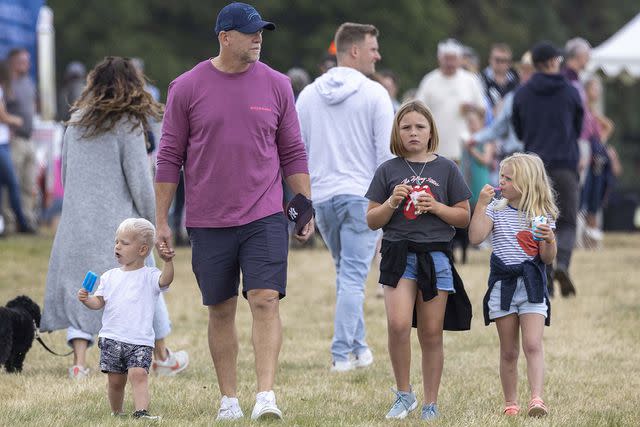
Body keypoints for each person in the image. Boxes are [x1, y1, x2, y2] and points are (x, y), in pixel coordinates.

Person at [155, 2, 313, 421]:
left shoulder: (278, 85)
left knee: (265, 299)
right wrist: (161, 221)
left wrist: (303, 206)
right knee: (221, 307)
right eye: (250, 32)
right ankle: (229, 399)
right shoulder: (185, 87)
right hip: (208, 218)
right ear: (225, 37)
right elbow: (169, 156)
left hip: (265, 214)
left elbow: (292, 151)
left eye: (261, 31)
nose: (259, 37)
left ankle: (266, 396)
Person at [40, 56, 188, 380]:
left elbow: (65, 174)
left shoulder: (76, 120)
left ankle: (79, 362)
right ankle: (161, 355)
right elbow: (139, 181)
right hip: (120, 229)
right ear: (131, 86)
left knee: (84, 288)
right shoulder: (127, 124)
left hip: (77, 226)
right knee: (144, 286)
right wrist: (155, 221)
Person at [296, 22, 394, 372]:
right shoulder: (375, 94)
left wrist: (301, 208)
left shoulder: (307, 95)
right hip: (361, 197)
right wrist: (389, 205)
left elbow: (297, 155)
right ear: (354, 51)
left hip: (323, 199)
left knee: (346, 275)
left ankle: (360, 347)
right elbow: (386, 156)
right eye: (372, 48)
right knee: (353, 277)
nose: (377, 55)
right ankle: (341, 355)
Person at [365, 100, 472, 420]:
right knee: (398, 325)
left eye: (419, 127)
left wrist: (437, 207)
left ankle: (430, 402)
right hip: (397, 254)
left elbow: (464, 217)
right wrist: (391, 202)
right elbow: (371, 220)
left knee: (430, 331)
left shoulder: (447, 168)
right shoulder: (388, 170)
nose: (413, 133)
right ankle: (404, 394)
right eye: (406, 127)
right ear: (397, 132)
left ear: (430, 132)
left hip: (435, 255)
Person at [468, 153, 558, 418]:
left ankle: (537, 399)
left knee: (533, 344)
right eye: (501, 176)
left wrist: (550, 239)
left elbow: (546, 258)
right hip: (503, 286)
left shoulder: (541, 215)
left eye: (508, 178)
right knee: (508, 350)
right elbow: (475, 237)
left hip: (532, 287)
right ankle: (510, 403)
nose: (501, 182)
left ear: (527, 183)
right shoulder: (496, 209)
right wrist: (481, 205)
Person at [78, 218, 174, 420]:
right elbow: (99, 302)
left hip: (139, 340)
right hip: (112, 338)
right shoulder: (109, 276)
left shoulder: (150, 275)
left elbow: (166, 280)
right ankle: (117, 412)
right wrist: (87, 300)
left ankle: (141, 412)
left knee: (139, 374)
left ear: (142, 250)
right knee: (115, 381)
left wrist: (168, 262)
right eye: (116, 242)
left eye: (124, 243)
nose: (117, 246)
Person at [512, 41, 583, 297]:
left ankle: (546, 274)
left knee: (538, 221)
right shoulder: (571, 90)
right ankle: (561, 262)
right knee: (567, 221)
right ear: (555, 62)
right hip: (565, 163)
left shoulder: (522, 93)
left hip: (534, 168)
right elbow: (578, 126)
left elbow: (518, 130)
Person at [415, 38, 485, 164]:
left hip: (463, 150)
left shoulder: (470, 80)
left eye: (453, 59)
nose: (450, 63)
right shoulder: (429, 81)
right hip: (434, 149)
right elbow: (418, 112)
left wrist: (471, 108)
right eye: (447, 59)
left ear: (459, 59)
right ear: (439, 59)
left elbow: (483, 111)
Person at [580, 77, 621, 242]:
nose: (598, 92)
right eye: (595, 88)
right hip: (587, 161)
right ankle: (587, 236)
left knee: (594, 201)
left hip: (595, 162)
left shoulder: (591, 113)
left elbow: (608, 128)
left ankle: (591, 237)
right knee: (586, 200)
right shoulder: (584, 112)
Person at [4, 48, 37, 230]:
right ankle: (9, 222)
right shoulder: (7, 84)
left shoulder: (28, 83)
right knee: (12, 183)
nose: (28, 64)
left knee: (28, 182)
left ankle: (27, 221)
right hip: (14, 140)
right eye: (23, 61)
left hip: (29, 138)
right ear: (13, 62)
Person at [0, 59, 32, 236]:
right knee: (12, 183)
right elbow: (1, 115)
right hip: (1, 144)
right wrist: (15, 120)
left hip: (4, 142)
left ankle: (8, 224)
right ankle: (21, 222)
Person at [463, 109, 496, 207]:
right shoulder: (468, 138)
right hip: (468, 178)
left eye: (472, 122)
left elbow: (486, 160)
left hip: (481, 178)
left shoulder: (486, 140)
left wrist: (472, 150)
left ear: (481, 121)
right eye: (468, 122)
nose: (470, 125)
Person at [480, 43, 519, 114]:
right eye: (497, 60)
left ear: (509, 63)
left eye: (504, 60)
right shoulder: (479, 80)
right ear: (490, 60)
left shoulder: (517, 81)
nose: (500, 63)